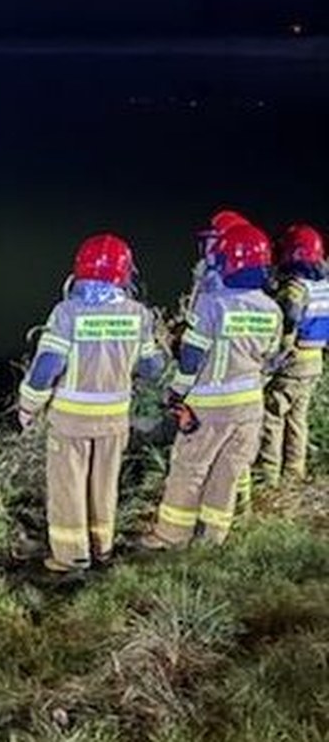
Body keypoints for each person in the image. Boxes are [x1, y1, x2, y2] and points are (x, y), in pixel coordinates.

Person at [18, 233, 164, 573]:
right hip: (114, 419)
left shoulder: (67, 313)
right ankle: (103, 548)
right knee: (105, 484)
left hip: (71, 420)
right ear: (125, 274)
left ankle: (71, 558)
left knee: (69, 487)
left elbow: (46, 368)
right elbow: (152, 368)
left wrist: (29, 405)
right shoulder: (138, 315)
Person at [143, 223, 282, 549]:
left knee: (190, 468)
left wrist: (177, 391)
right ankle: (212, 539)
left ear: (228, 262)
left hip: (209, 406)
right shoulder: (272, 310)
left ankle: (171, 535)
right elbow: (270, 357)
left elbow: (192, 356)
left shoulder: (212, 305)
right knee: (228, 472)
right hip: (250, 405)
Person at [258, 223, 329, 485]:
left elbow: (289, 320)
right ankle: (295, 472)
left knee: (273, 418)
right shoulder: (324, 286)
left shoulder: (296, 288)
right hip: (315, 361)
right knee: (298, 420)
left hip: (293, 362)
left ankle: (269, 476)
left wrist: (275, 356)